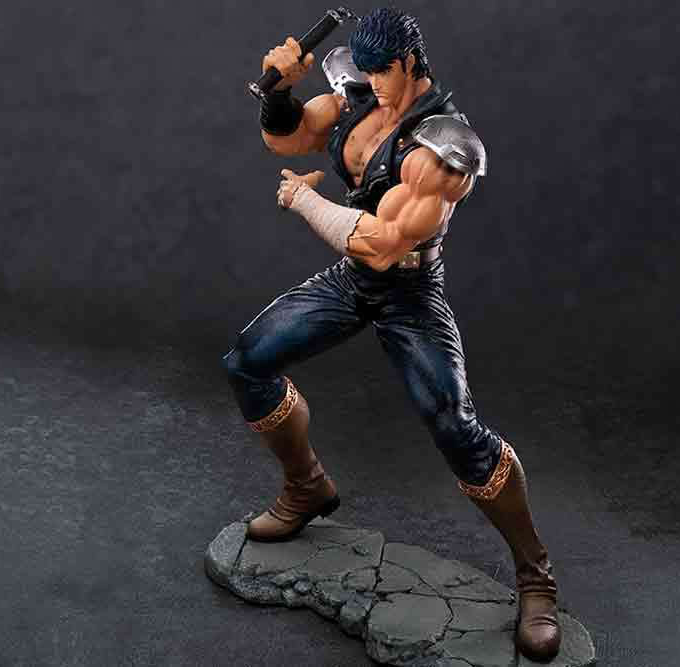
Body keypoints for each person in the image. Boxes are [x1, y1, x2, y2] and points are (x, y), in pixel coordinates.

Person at [223, 7, 561, 662]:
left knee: (456, 427)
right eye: (368, 71)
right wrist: (277, 92)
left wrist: (305, 201)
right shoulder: (357, 94)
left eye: (383, 72)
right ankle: (306, 485)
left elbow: (382, 245)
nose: (373, 83)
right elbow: (291, 140)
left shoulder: (442, 149)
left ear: (408, 63)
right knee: (246, 363)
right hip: (352, 281)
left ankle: (535, 573)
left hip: (409, 291)